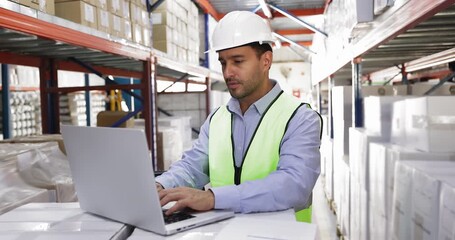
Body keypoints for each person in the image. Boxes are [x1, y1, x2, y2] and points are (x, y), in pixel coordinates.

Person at [156, 10, 321, 217]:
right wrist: (160, 185)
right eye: (223, 62)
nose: (227, 73)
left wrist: (213, 198)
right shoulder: (217, 119)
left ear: (266, 61)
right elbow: (192, 167)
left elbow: (294, 185)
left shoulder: (300, 118)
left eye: (238, 61)